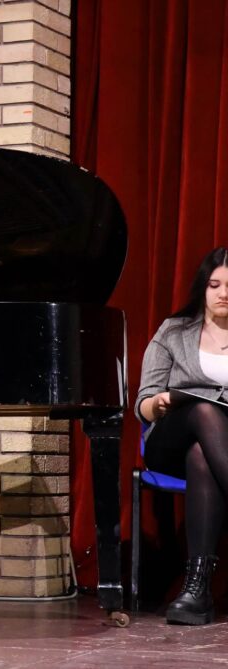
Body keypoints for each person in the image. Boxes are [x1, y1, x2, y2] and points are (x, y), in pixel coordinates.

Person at [137, 246, 228, 625]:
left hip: (218, 448)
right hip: (169, 439)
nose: (223, 293)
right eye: (214, 285)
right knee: (204, 411)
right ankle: (197, 589)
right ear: (202, 287)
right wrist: (157, 404)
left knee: (201, 456)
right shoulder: (174, 332)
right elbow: (143, 401)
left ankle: (197, 591)